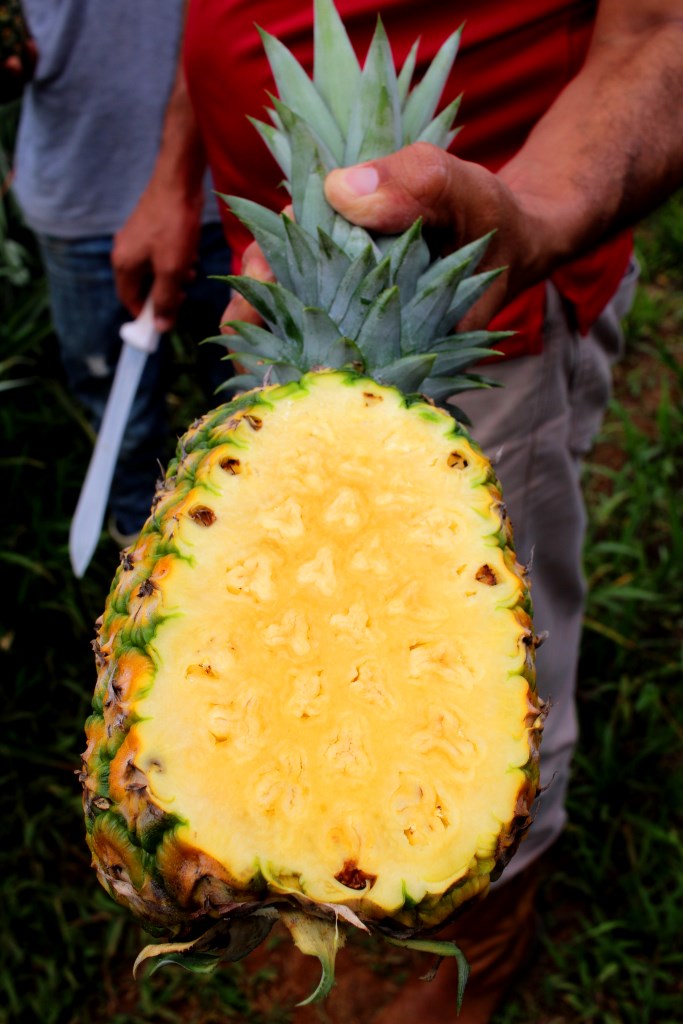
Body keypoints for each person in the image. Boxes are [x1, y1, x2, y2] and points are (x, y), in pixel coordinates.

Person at [112, 0, 683, 1020]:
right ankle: (296, 863)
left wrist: (542, 214)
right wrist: (173, 173)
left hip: (482, 284)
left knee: (469, 664)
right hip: (286, 291)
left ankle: (451, 928)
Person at [5, 0, 231, 545]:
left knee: (244, 396)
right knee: (117, 409)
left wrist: (173, 182)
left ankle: (239, 538)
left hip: (221, 192)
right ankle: (136, 539)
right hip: (77, 190)